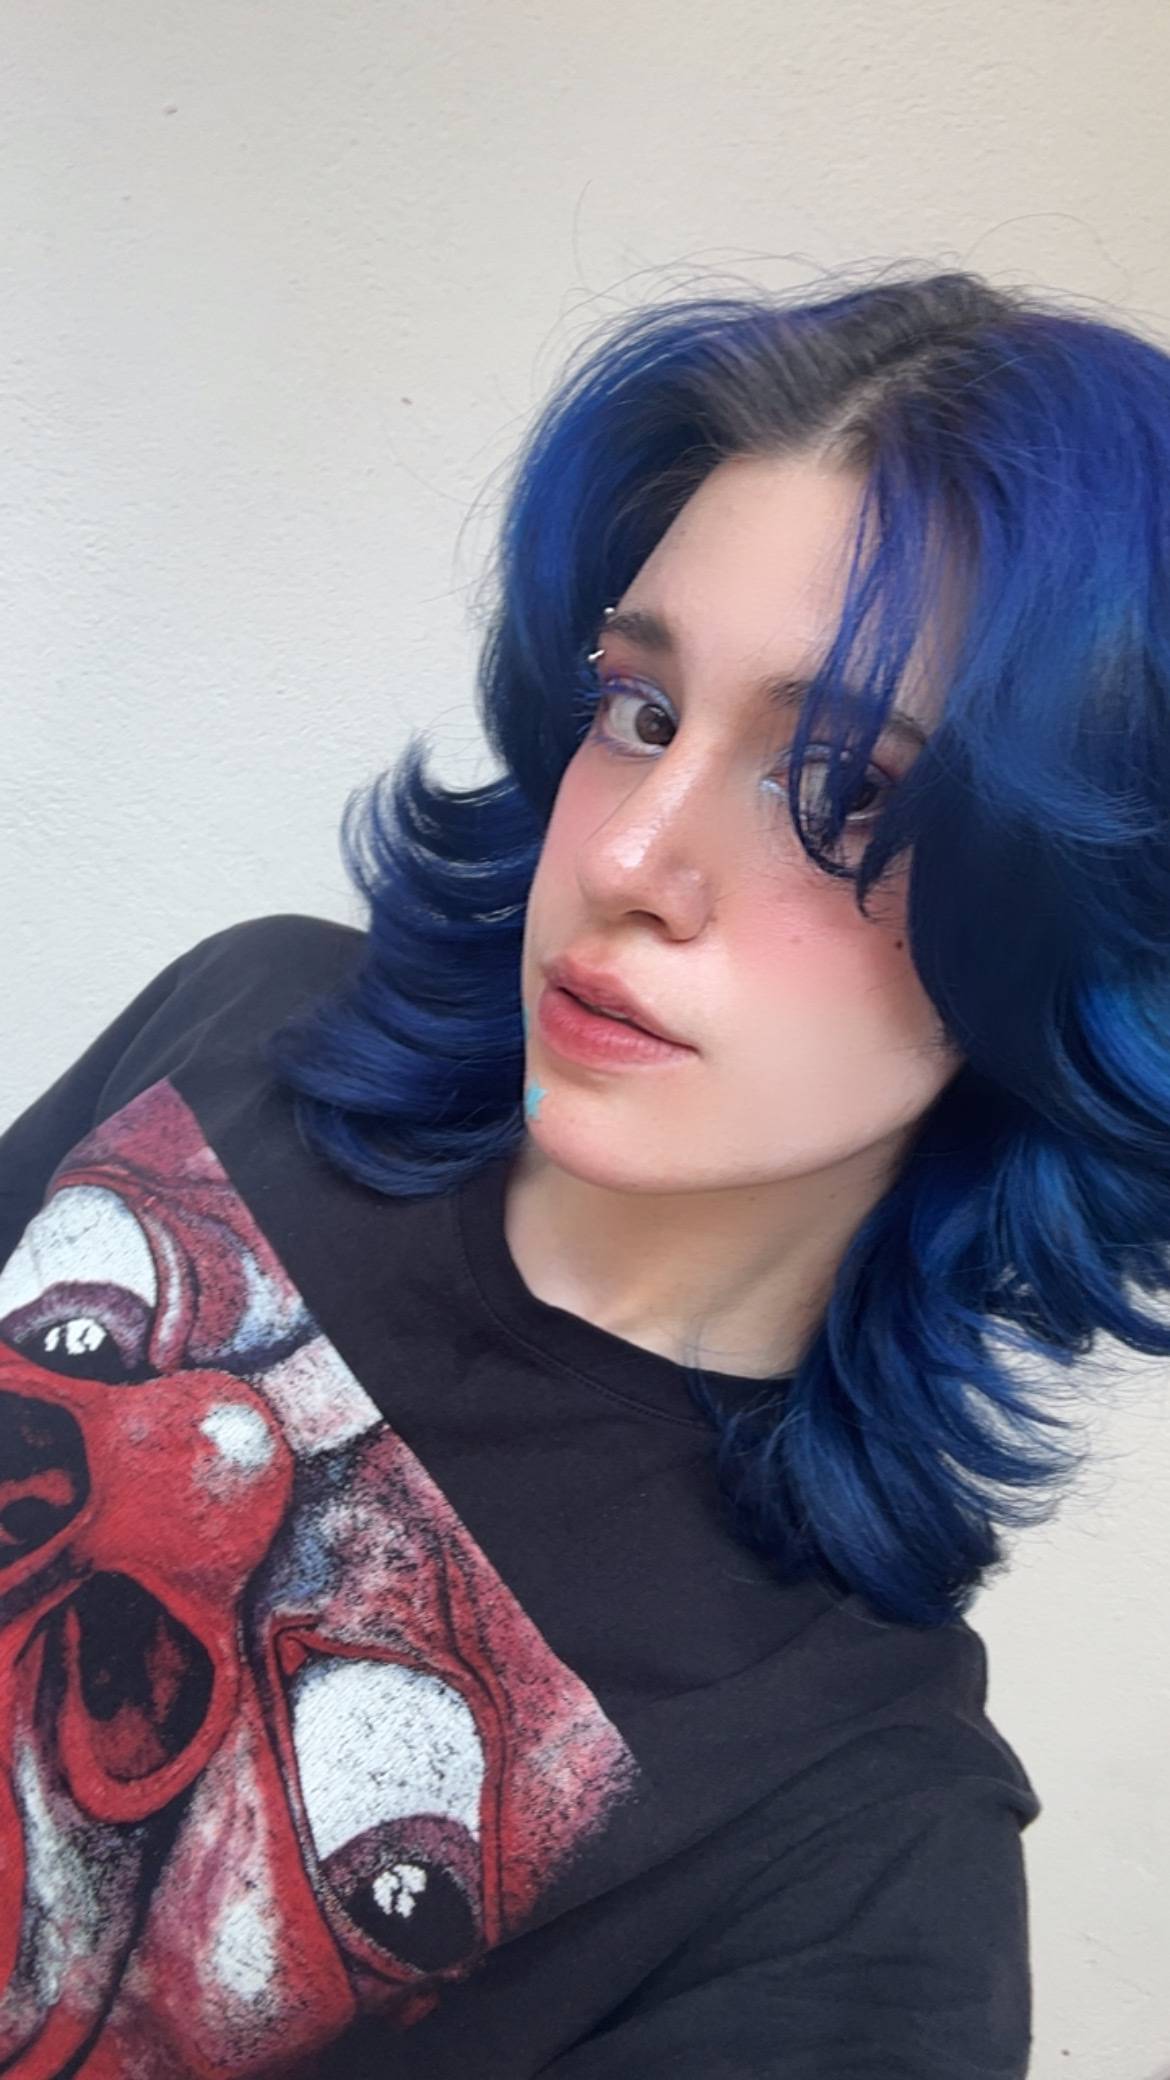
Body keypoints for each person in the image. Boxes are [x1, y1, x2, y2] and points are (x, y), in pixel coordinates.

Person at [3, 267, 1169, 2080]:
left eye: (846, 792)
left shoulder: (848, 1858)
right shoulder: (248, 1025)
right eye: (639, 709)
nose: (628, 855)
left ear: (1076, 918)